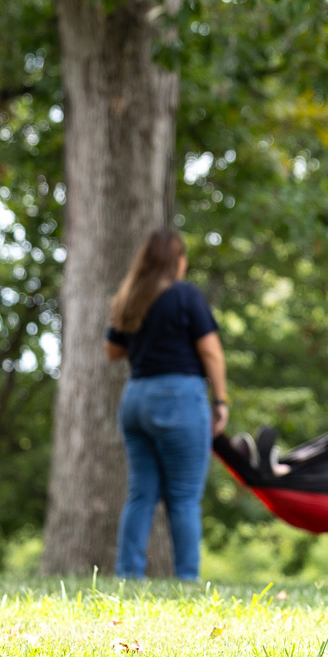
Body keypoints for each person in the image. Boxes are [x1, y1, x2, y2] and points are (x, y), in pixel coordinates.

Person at [103, 228, 228, 581]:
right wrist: (221, 399)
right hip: (178, 398)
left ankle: (128, 574)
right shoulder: (185, 295)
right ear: (178, 261)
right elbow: (211, 351)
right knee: (185, 497)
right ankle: (187, 579)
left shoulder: (130, 298)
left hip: (136, 398)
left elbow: (113, 351)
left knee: (141, 492)